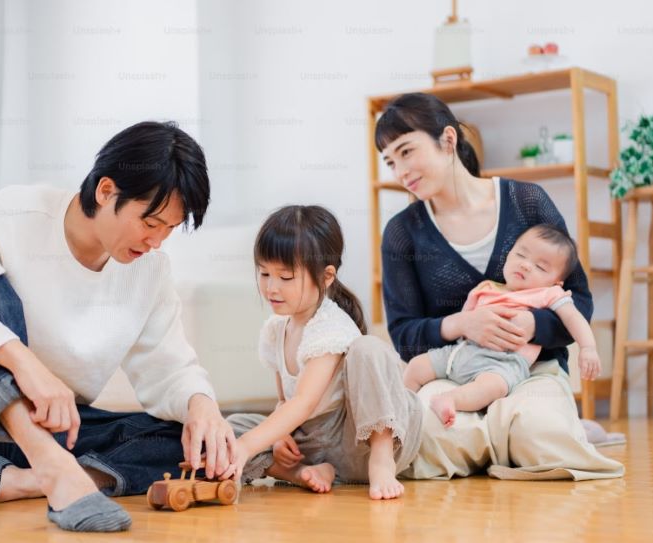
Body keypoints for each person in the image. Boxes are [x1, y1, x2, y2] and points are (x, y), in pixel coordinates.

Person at [0, 121, 236, 532]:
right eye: (150, 223)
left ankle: (29, 481)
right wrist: (25, 364)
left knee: (186, 440)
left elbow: (169, 368)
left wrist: (201, 406)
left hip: (35, 439)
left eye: (169, 229)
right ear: (106, 191)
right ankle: (54, 470)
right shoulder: (20, 213)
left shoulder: (149, 271)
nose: (157, 241)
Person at [376, 93, 623, 481]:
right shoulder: (402, 232)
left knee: (539, 436)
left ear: (448, 140)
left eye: (406, 151)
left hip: (530, 369)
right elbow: (404, 336)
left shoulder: (526, 201)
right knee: (424, 441)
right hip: (452, 369)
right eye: (391, 161)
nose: (400, 171)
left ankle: (535, 428)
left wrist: (532, 325)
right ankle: (511, 436)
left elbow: (579, 299)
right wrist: (461, 325)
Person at [223, 206, 422, 500]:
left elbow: (303, 402)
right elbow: (285, 402)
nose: (271, 287)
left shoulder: (330, 326)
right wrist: (279, 437)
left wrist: (249, 445)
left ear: (327, 276)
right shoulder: (276, 330)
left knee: (368, 347)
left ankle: (382, 462)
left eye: (286, 277)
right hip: (314, 447)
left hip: (358, 443)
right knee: (231, 429)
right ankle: (302, 472)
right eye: (264, 273)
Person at [403, 223, 602, 427]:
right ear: (508, 256)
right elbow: (465, 321)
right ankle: (400, 413)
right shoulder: (486, 288)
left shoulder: (548, 294)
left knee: (492, 387)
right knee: (416, 366)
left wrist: (588, 348)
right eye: (521, 255)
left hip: (502, 363)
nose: (525, 265)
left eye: (540, 267)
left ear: (556, 282)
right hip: (461, 352)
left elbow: (574, 317)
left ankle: (451, 400)